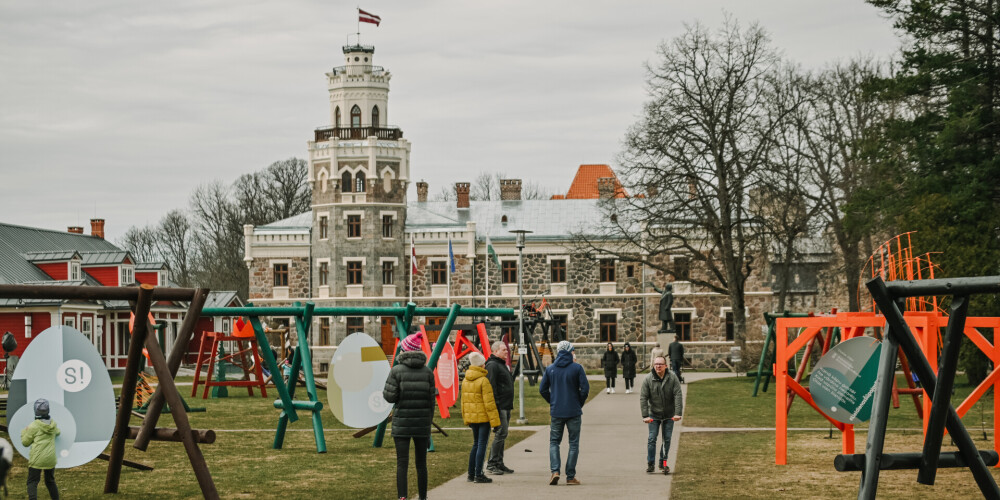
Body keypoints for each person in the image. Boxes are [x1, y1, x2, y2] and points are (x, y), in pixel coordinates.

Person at [382, 332, 435, 500]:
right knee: (421, 464)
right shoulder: (428, 372)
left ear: (404, 350)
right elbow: (431, 401)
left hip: (402, 423)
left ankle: (402, 497)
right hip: (422, 423)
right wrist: (428, 423)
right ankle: (423, 497)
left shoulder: (396, 371)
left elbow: (389, 397)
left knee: (402, 463)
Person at [539, 340, 590, 486]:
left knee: (554, 442)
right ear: (569, 351)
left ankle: (555, 471)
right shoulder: (577, 368)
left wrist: (553, 401)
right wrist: (578, 403)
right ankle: (570, 476)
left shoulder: (550, 369)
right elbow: (585, 389)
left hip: (557, 411)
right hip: (573, 410)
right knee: (573, 443)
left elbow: (542, 390)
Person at [461, 352, 501, 484]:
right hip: (483, 417)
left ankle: (471, 473)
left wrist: (466, 416)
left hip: (472, 417)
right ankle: (479, 473)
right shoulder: (483, 380)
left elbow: (463, 401)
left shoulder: (466, 380)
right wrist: (495, 422)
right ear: (482, 364)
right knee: (482, 445)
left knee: (475, 444)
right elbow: (489, 404)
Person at [640, 355, 682, 474]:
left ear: (665, 366)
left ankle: (663, 463)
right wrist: (645, 416)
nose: (658, 366)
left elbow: (678, 395)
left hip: (669, 414)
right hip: (653, 414)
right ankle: (651, 463)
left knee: (666, 439)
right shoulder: (648, 379)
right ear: (653, 366)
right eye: (656, 364)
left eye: (660, 364)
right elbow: (643, 397)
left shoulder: (672, 377)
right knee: (652, 438)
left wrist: (678, 413)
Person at [484, 341, 515, 475]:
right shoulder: (492, 365)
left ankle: (499, 462)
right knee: (500, 433)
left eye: (506, 350)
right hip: (500, 405)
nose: (506, 352)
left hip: (506, 405)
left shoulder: (501, 365)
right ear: (495, 351)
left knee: (503, 434)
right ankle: (491, 464)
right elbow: (491, 387)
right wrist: (495, 406)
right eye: (503, 350)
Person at [21, 398, 59, 500]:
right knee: (50, 481)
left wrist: (24, 432)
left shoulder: (33, 426)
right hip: (50, 459)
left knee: (32, 482)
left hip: (37, 459)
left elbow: (25, 442)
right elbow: (58, 432)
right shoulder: (53, 425)